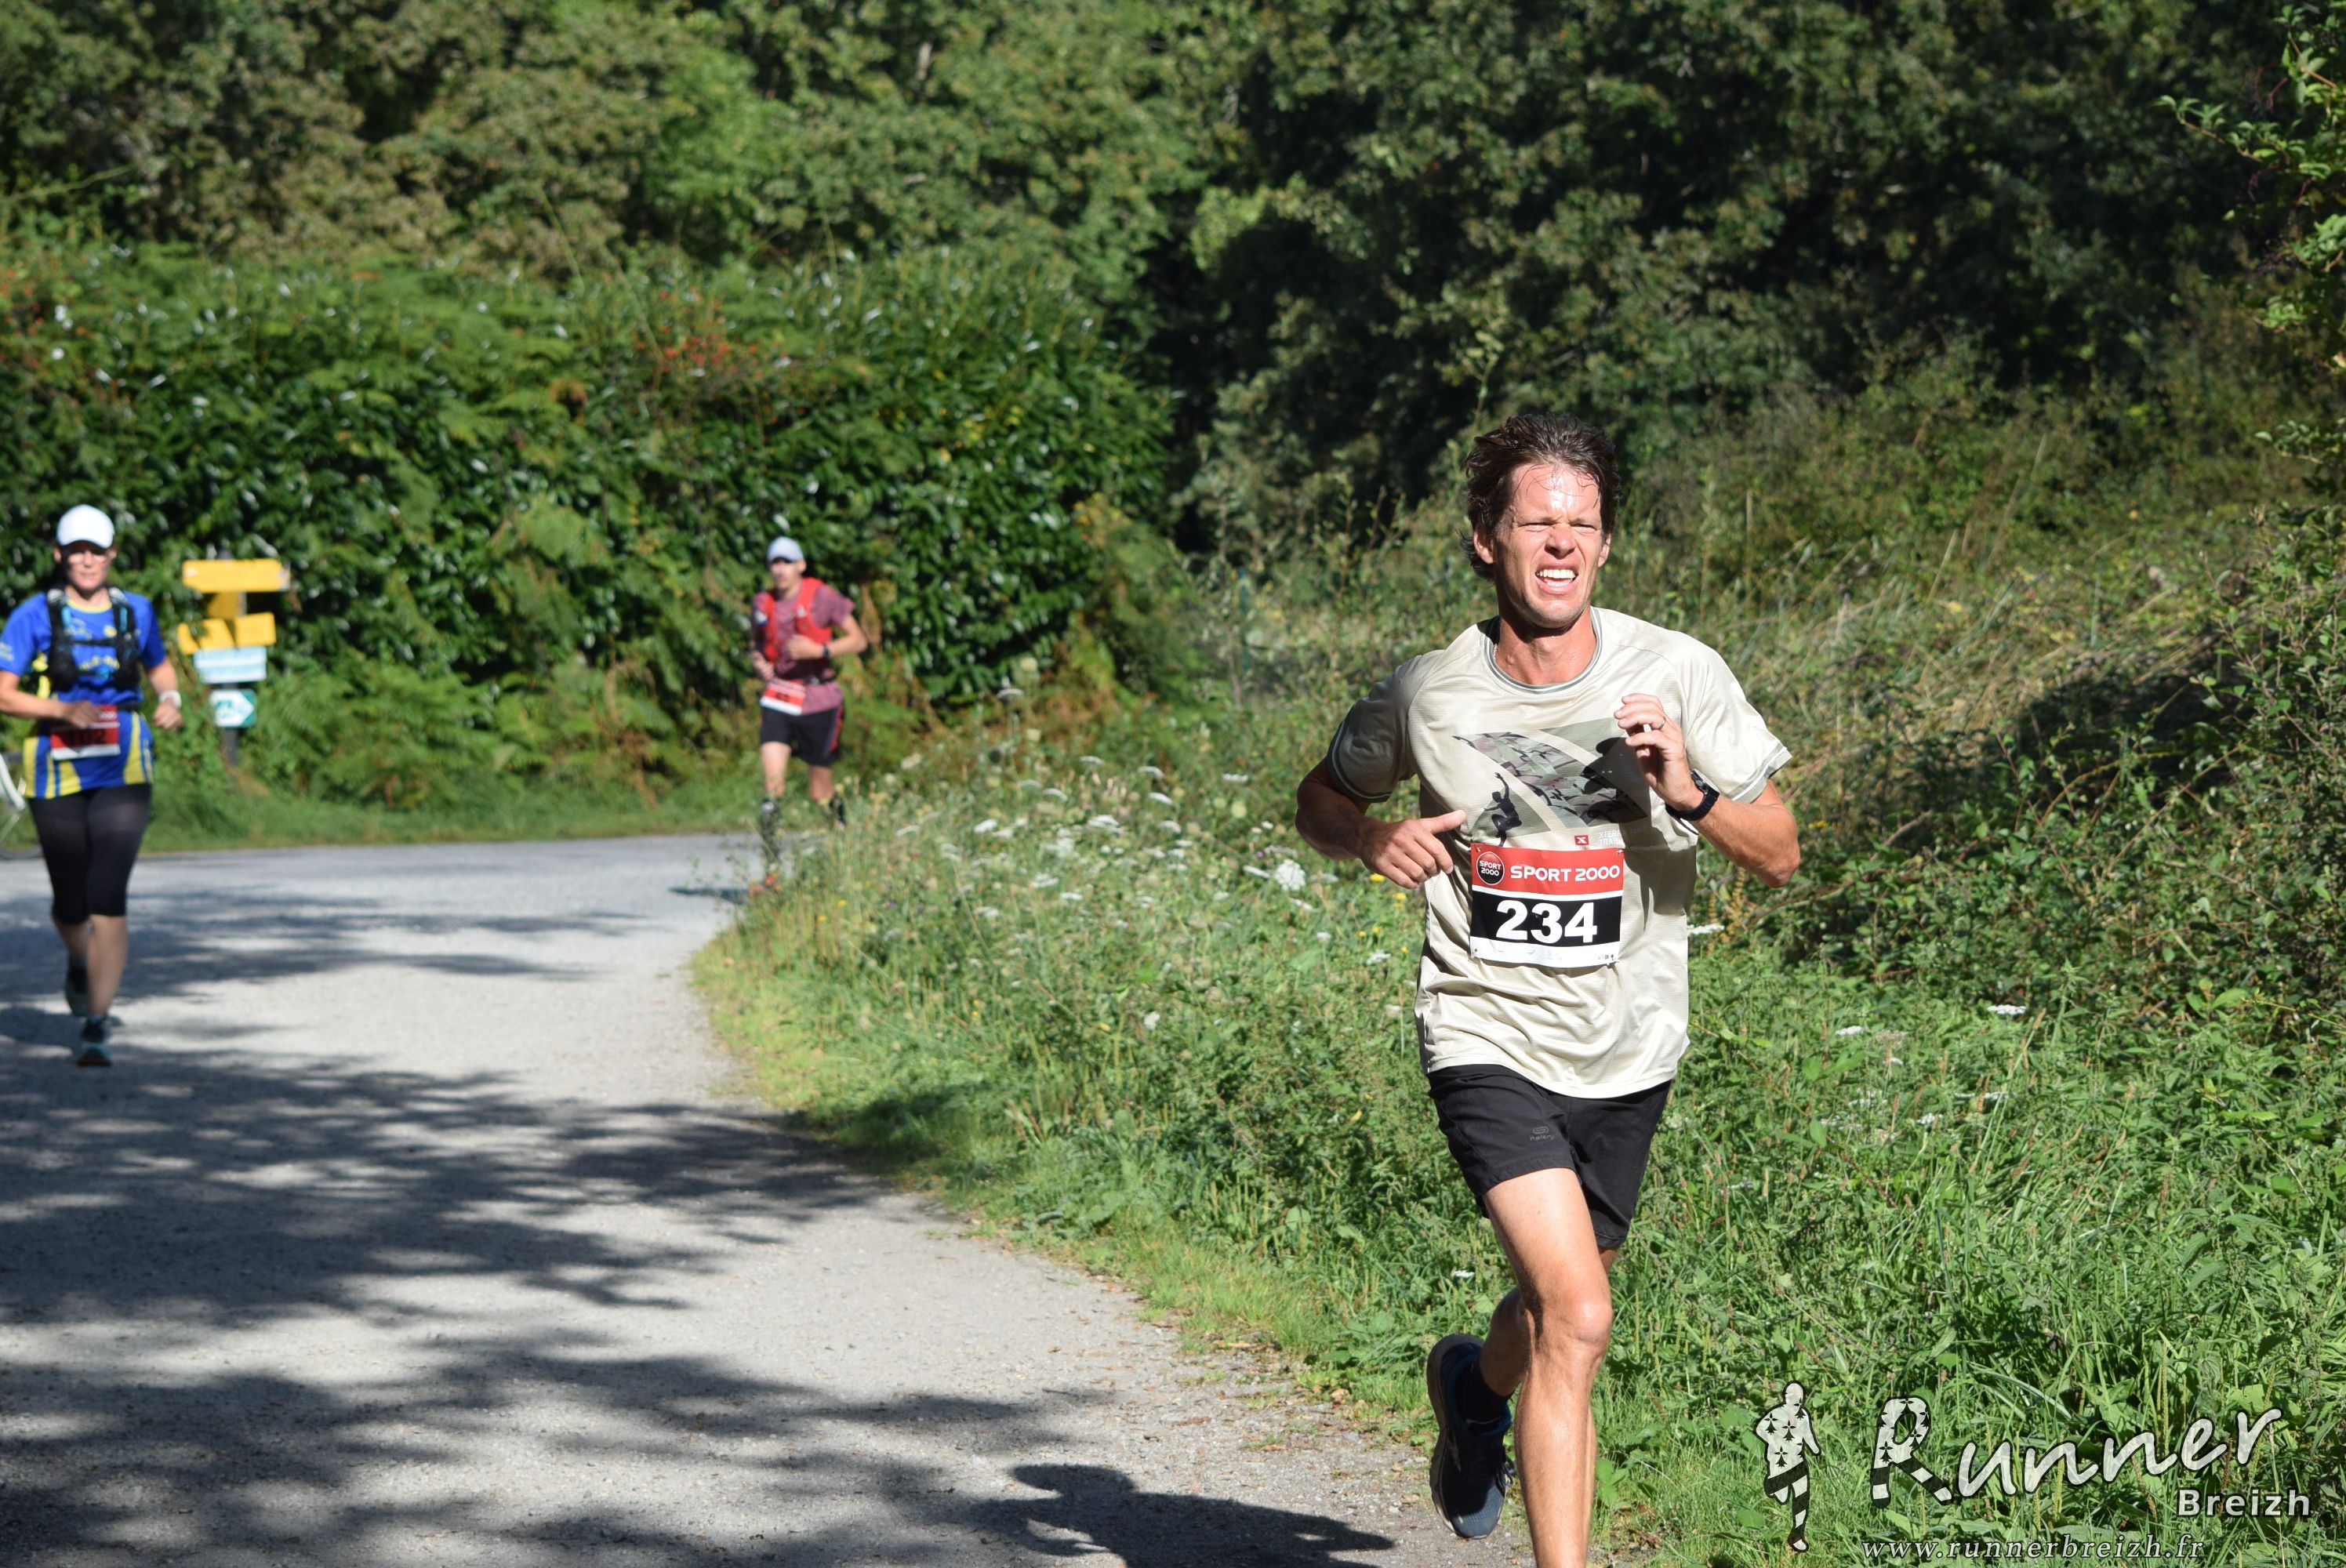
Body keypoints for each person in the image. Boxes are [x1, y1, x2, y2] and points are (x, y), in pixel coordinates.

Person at [1293, 414, 1799, 1566]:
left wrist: (1689, 788)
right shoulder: (1429, 691)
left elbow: (1779, 853)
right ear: (1487, 539)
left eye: (1582, 523)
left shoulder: (1677, 671)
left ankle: (1474, 1393)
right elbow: (1321, 798)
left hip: (1631, 1042)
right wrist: (1367, 837)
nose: (1561, 542)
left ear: (1606, 544)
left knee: (1555, 1303)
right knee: (1579, 1315)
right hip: (1484, 1029)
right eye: (1537, 522)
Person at [0, 506, 183, 1067]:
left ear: (112, 554)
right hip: (56, 765)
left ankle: (96, 1023)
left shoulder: (136, 611)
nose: (86, 560)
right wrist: (61, 709)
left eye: (96, 551)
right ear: (60, 555)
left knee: (108, 893)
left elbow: (159, 666)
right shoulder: (34, 614)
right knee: (70, 899)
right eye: (76, 550)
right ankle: (79, 960)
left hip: (123, 763)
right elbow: (4, 692)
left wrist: (171, 699)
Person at [750, 535, 867, 844]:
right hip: (779, 698)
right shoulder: (763, 603)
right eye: (775, 562)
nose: (780, 569)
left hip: (819, 700)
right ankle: (772, 865)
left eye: (787, 562)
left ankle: (843, 843)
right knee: (771, 791)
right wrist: (758, 662)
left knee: (820, 791)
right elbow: (756, 645)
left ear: (801, 565)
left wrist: (821, 650)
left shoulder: (821, 597)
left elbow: (859, 640)